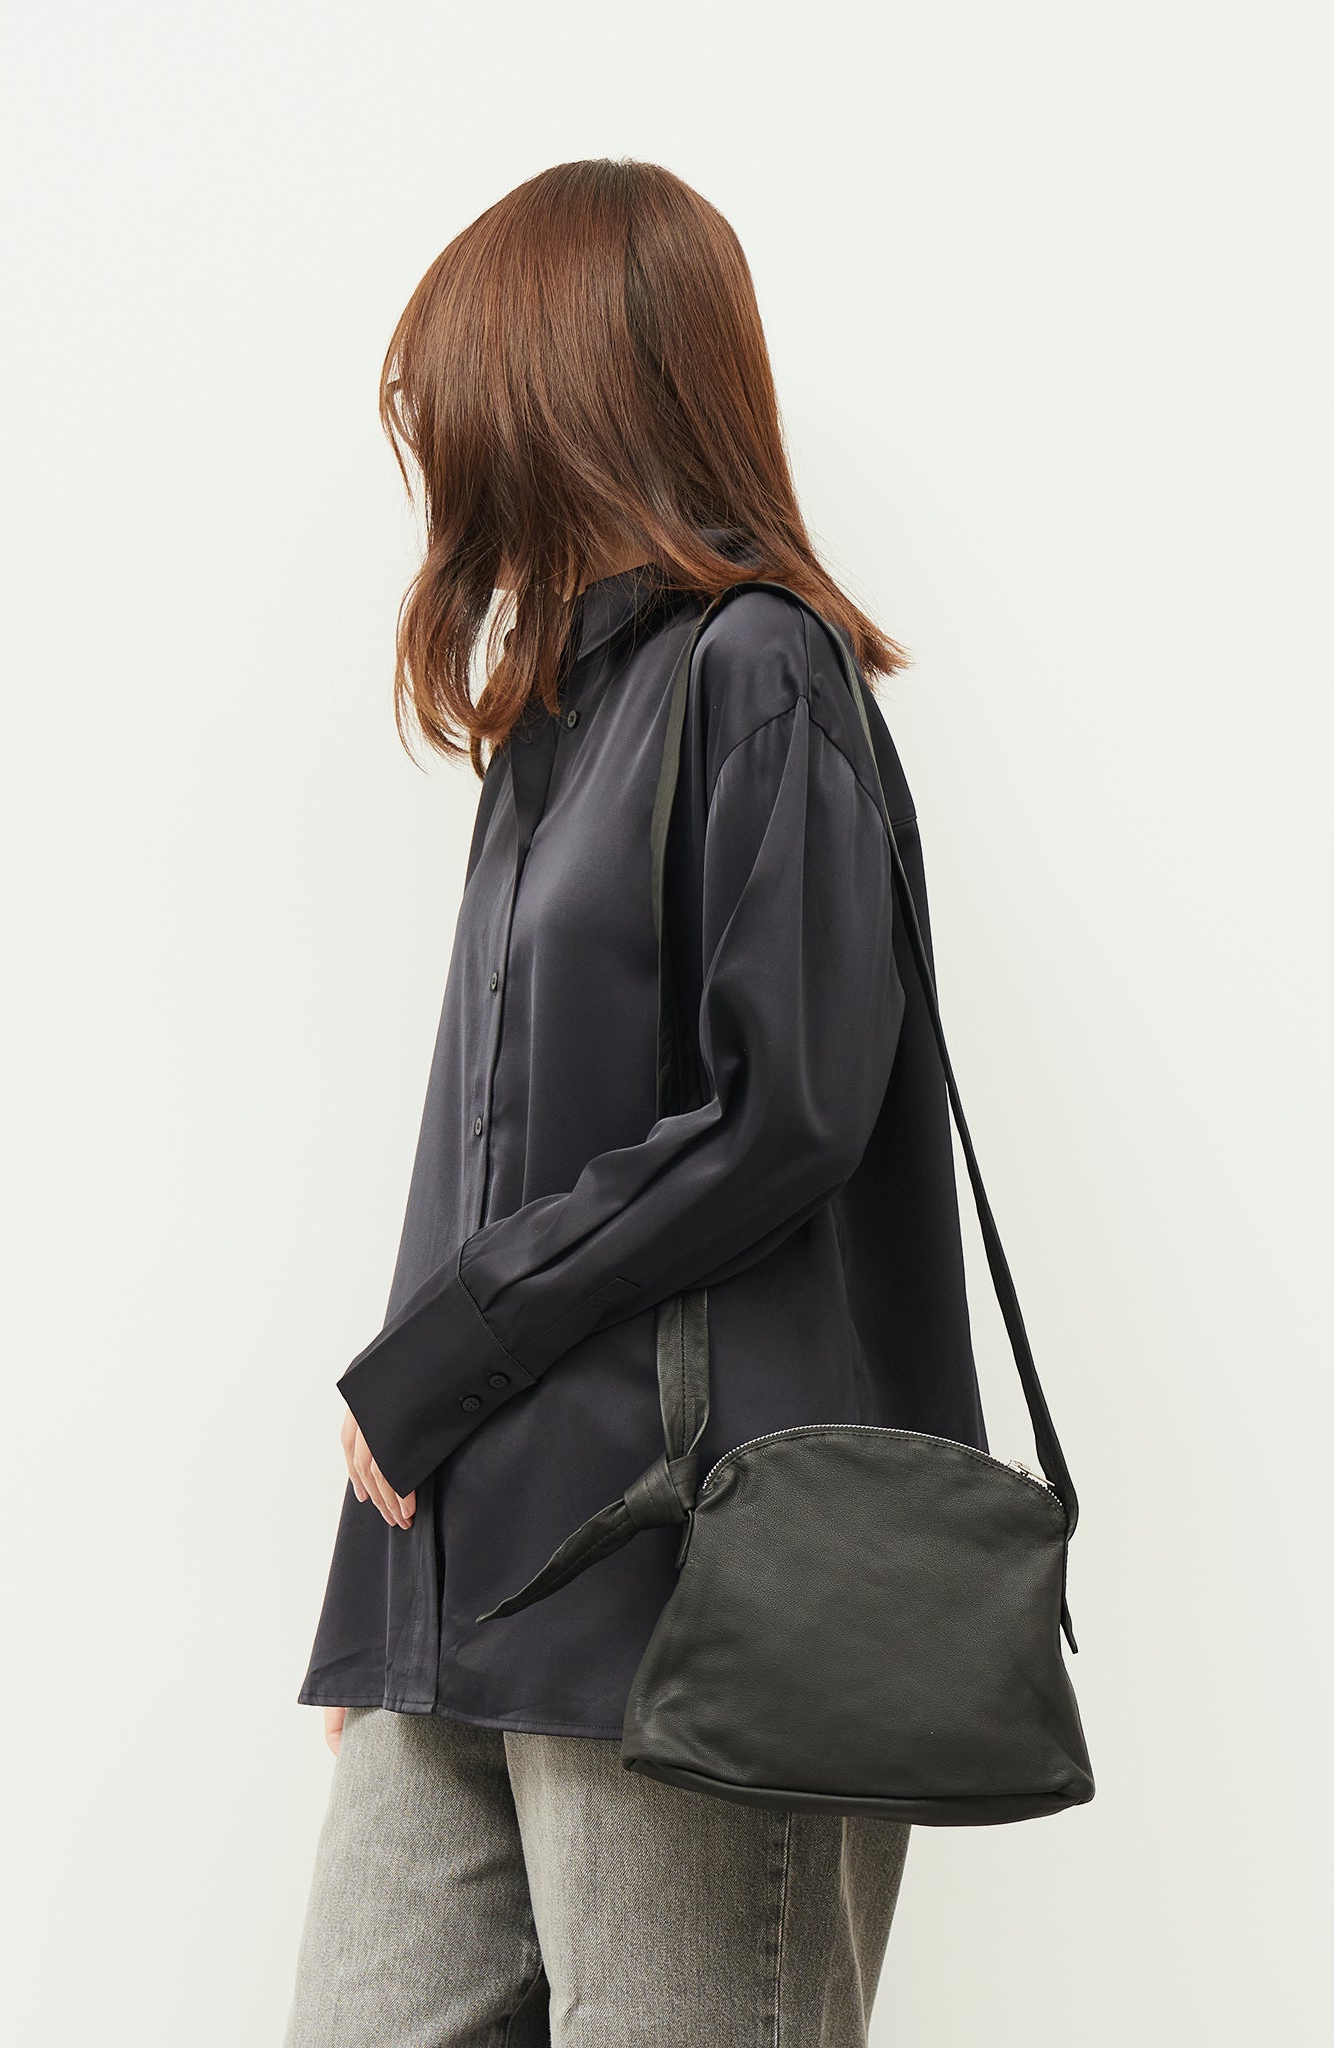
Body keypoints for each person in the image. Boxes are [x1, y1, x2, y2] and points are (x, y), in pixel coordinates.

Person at [284, 157, 989, 2048]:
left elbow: (790, 1112)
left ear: (569, 381)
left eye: (459, 393)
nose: (441, 448)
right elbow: (477, 1180)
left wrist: (442, 1357)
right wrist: (387, 1577)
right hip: (465, 1592)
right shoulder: (551, 733)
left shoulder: (760, 673)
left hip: (691, 1596)